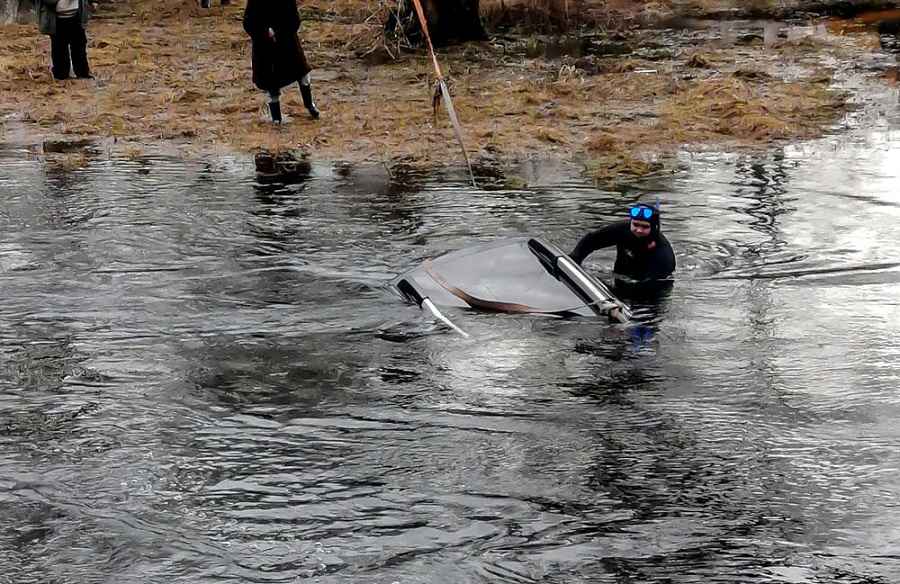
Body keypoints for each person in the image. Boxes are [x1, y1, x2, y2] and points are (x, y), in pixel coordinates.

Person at [243, 0, 320, 124]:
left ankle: (310, 105)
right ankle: (276, 118)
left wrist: (279, 32)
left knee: (303, 73)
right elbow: (248, 22)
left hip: (287, 42)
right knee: (271, 83)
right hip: (264, 46)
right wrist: (264, 33)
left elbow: (295, 20)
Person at [569, 202, 676, 284]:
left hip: (649, 289)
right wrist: (575, 260)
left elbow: (656, 286)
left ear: (654, 228)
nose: (638, 230)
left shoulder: (663, 255)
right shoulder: (623, 230)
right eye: (635, 224)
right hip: (619, 277)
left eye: (645, 227)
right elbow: (592, 240)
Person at [37, 0, 93, 81]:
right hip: (56, 20)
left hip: (76, 16)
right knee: (59, 49)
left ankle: (82, 73)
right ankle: (61, 75)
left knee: (79, 46)